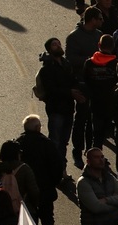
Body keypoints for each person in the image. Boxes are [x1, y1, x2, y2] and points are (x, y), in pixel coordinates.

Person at [16, 115, 63, 225]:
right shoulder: (46, 143)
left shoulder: (18, 143)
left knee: (31, 219)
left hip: (26, 191)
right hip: (45, 189)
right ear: (37, 127)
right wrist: (53, 182)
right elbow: (57, 165)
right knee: (48, 219)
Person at [66, 6, 105, 168]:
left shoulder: (99, 36)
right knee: (81, 118)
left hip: (97, 83)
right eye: (100, 18)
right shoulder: (74, 37)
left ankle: (92, 151)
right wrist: (91, 60)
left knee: (94, 120)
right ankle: (77, 149)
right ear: (92, 20)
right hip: (82, 82)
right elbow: (71, 59)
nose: (102, 21)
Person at [38, 38, 82, 173]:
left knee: (64, 142)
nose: (58, 46)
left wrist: (76, 90)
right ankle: (54, 170)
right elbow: (51, 90)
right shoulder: (47, 69)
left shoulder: (66, 63)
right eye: (54, 45)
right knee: (55, 142)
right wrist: (69, 92)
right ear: (49, 49)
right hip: (56, 109)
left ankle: (62, 169)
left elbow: (73, 80)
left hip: (68, 108)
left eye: (58, 43)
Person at [82, 34, 118, 150]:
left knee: (96, 134)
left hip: (95, 102)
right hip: (112, 103)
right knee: (115, 133)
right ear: (113, 46)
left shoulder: (89, 63)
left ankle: (94, 154)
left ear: (99, 45)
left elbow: (85, 80)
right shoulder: (116, 63)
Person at [0, 140, 40, 219]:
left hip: (0, 210)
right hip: (22, 209)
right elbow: (33, 191)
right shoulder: (24, 168)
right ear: (17, 154)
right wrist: (34, 206)